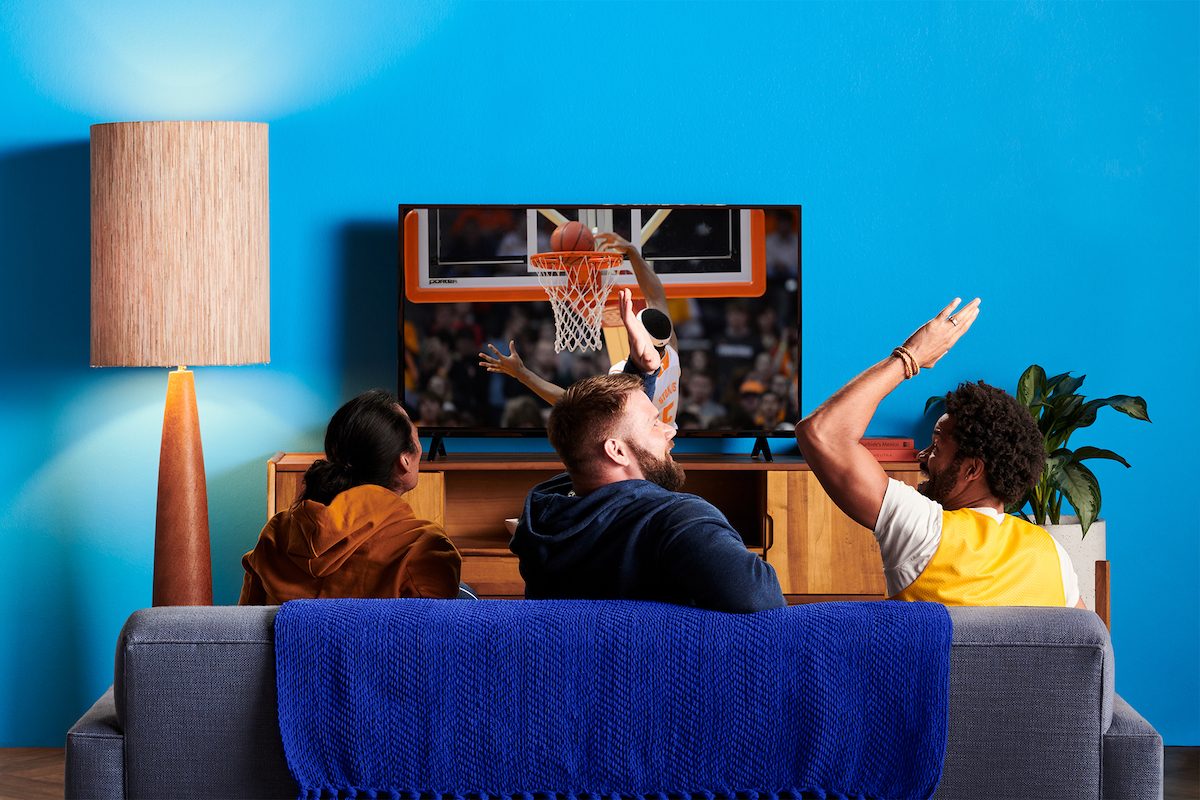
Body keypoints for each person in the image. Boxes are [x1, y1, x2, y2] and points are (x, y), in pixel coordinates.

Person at [794, 298, 1083, 608]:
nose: (922, 456)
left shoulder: (925, 531)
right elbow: (1092, 648)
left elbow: (822, 432)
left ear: (972, 469)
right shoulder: (1052, 554)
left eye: (936, 445)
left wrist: (910, 356)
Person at [509, 373, 786, 612]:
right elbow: (762, 598)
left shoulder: (542, 512)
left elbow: (597, 439)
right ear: (616, 451)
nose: (669, 430)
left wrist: (644, 373)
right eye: (655, 423)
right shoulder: (677, 521)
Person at [239, 389, 463, 604]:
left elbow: (246, 634)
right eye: (416, 435)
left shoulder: (276, 533)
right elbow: (437, 640)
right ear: (404, 460)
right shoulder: (425, 549)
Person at [479, 231, 682, 425]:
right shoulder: (670, 351)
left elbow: (570, 402)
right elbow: (655, 296)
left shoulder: (626, 380)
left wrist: (522, 374)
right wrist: (631, 251)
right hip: (665, 443)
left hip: (641, 454)